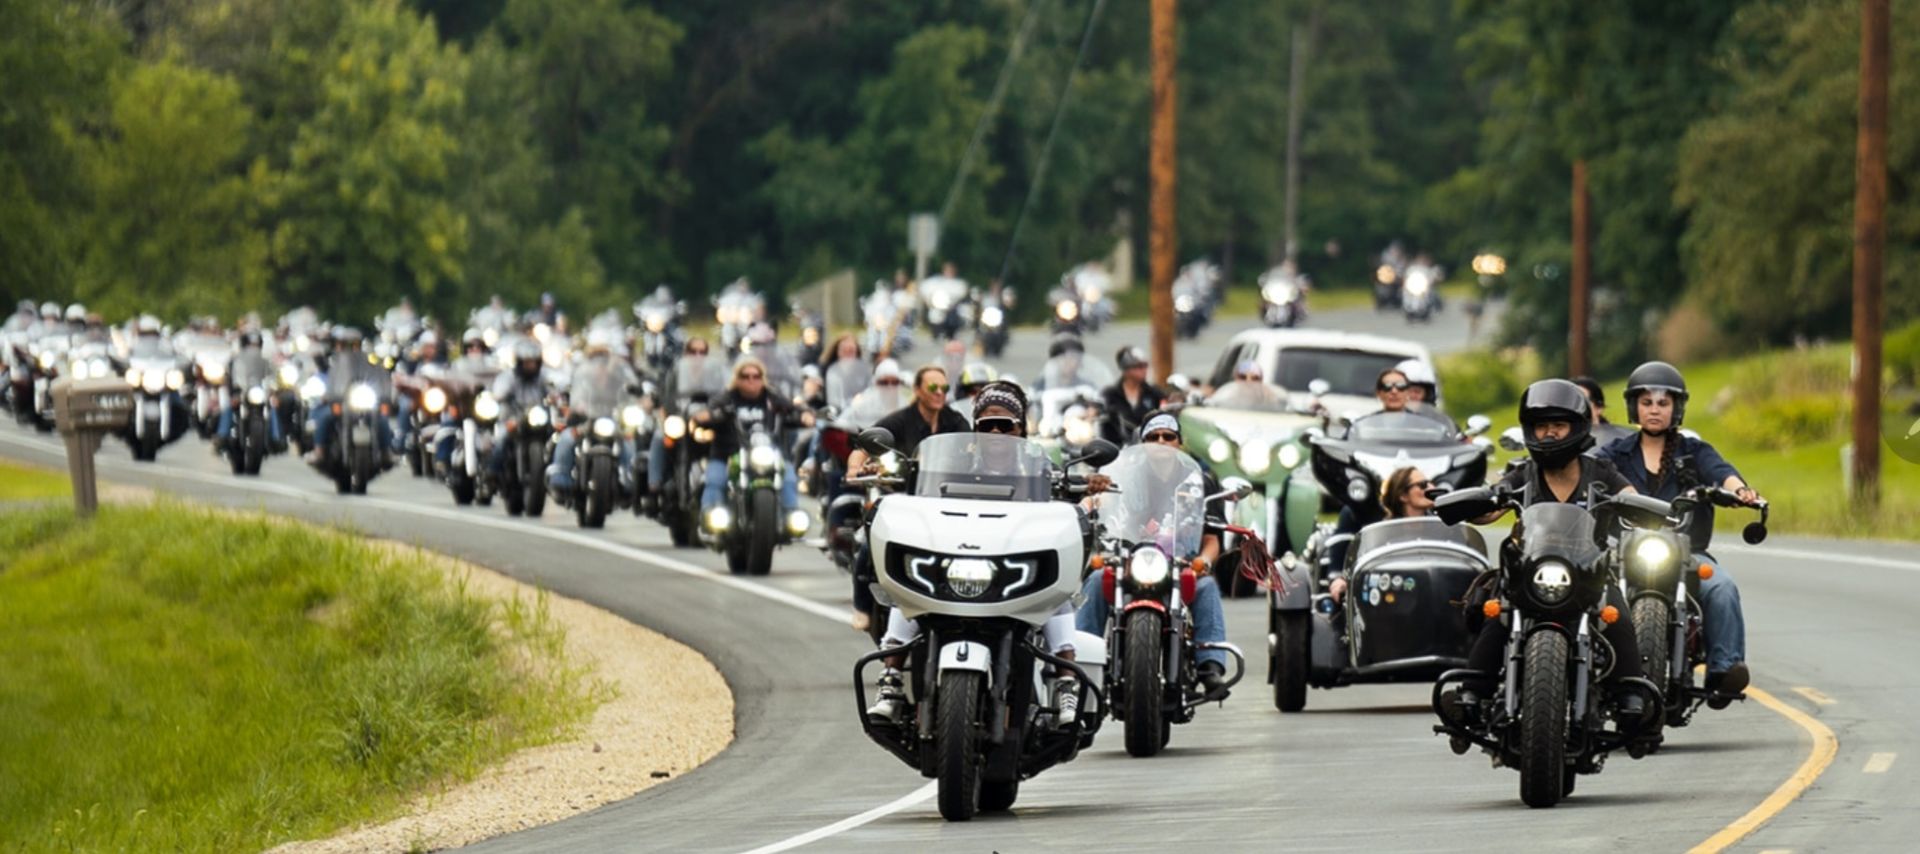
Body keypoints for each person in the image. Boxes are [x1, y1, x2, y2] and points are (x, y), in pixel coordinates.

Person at [867, 382, 1100, 724]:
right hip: (956, 560)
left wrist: (1087, 484)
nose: (996, 433)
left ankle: (1067, 682)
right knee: (910, 590)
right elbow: (919, 489)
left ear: (1020, 429)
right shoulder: (952, 462)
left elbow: (1066, 491)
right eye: (987, 425)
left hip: (1012, 567)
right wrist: (888, 476)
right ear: (975, 429)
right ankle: (890, 680)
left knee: (1057, 591)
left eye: (1005, 425)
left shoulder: (1039, 465)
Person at [1445, 379, 1647, 724]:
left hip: (1587, 575)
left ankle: (1631, 695)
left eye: (1558, 425)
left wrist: (1636, 504)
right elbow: (1490, 509)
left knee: (1618, 615)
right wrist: (1475, 502)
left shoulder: (1600, 473)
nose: (1550, 433)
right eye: (1541, 426)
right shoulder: (1523, 474)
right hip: (1529, 575)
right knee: (1498, 614)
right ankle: (1473, 692)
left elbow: (1630, 495)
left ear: (1577, 427)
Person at [1596, 361, 1759, 704]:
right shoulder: (1616, 454)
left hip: (1686, 553)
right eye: (1647, 402)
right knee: (1585, 584)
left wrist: (1741, 491)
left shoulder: (1694, 452)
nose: (1654, 410)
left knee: (1722, 587)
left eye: (1663, 403)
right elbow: (1590, 472)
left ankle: (1723, 670)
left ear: (1676, 408)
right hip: (1625, 554)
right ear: (1635, 407)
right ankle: (1585, 664)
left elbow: (1722, 472)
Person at [1075, 412, 1233, 697]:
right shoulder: (1125, 477)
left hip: (1179, 563)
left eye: (1168, 436)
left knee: (1207, 587)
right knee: (1097, 580)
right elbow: (1103, 504)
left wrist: (1204, 561)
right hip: (1129, 560)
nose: (1161, 442)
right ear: (1143, 443)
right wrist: (1092, 494)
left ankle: (1210, 666)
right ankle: (1080, 665)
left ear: (1179, 443)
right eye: (1153, 437)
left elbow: (1211, 539)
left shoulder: (1198, 481)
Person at [694, 357, 810, 518]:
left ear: (762, 379)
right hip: (728, 455)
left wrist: (805, 415)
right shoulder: (727, 398)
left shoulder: (771, 398)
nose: (751, 380)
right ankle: (709, 517)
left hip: (768, 454)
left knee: (789, 479)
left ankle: (790, 517)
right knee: (715, 480)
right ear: (737, 379)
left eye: (756, 376)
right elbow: (707, 411)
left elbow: (792, 409)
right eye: (745, 376)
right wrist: (706, 416)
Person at [548, 329, 640, 493]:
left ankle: (628, 476)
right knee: (567, 438)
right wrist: (572, 399)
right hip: (584, 419)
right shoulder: (580, 369)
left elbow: (632, 385)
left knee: (628, 441)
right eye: (596, 354)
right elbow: (567, 384)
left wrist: (635, 391)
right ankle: (561, 475)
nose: (600, 361)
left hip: (612, 420)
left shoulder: (619, 371)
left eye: (603, 354)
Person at [1328, 466, 1435, 603]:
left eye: (1430, 483)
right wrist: (1342, 580)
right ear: (1403, 495)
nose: (1432, 488)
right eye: (1423, 485)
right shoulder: (1383, 532)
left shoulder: (1440, 526)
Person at [847, 365, 969, 473]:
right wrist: (854, 469)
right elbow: (862, 448)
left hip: (949, 485)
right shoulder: (900, 420)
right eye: (932, 387)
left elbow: (971, 446)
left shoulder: (956, 420)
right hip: (906, 487)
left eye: (944, 388)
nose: (939, 392)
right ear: (917, 390)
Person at [214, 331, 282, 450]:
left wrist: (272, 388)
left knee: (272, 407)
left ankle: (276, 437)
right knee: (228, 407)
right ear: (244, 344)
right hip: (240, 392)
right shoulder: (235, 360)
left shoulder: (265, 360)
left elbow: (272, 377)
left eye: (255, 344)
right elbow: (230, 377)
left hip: (259, 392)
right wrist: (233, 391)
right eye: (250, 344)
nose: (253, 347)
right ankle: (222, 435)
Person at [1100, 346, 1167, 445]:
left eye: (1145, 366)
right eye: (1139, 367)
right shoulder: (1110, 394)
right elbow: (1098, 410)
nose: (1144, 370)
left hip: (1147, 445)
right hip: (1116, 446)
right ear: (1126, 369)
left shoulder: (1154, 393)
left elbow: (1166, 408)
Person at [821, 334, 870, 412]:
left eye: (851, 351)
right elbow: (833, 402)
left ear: (857, 352)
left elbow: (869, 392)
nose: (847, 354)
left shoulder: (864, 371)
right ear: (837, 352)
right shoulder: (831, 372)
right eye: (844, 350)